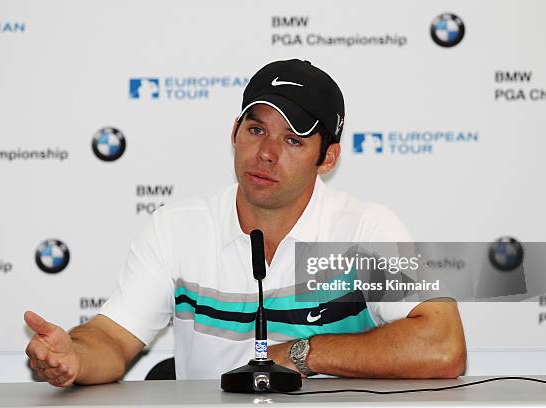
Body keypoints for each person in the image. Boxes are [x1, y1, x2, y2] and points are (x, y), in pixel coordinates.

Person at [24, 59, 466, 387]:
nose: (267, 154)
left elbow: (442, 345)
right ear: (234, 132)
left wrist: (302, 353)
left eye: (293, 140)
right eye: (256, 131)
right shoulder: (177, 228)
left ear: (327, 157)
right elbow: (112, 339)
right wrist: (75, 359)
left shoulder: (366, 230)